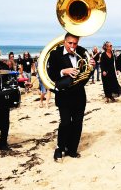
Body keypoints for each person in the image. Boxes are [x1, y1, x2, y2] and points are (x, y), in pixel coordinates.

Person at [48, 33, 96, 161]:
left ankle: (72, 149)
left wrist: (92, 66)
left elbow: (87, 74)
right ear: (64, 41)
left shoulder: (82, 52)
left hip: (79, 94)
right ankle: (60, 148)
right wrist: (64, 71)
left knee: (77, 123)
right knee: (65, 123)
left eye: (75, 43)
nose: (73, 46)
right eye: (70, 43)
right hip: (63, 94)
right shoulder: (55, 54)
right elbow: (51, 74)